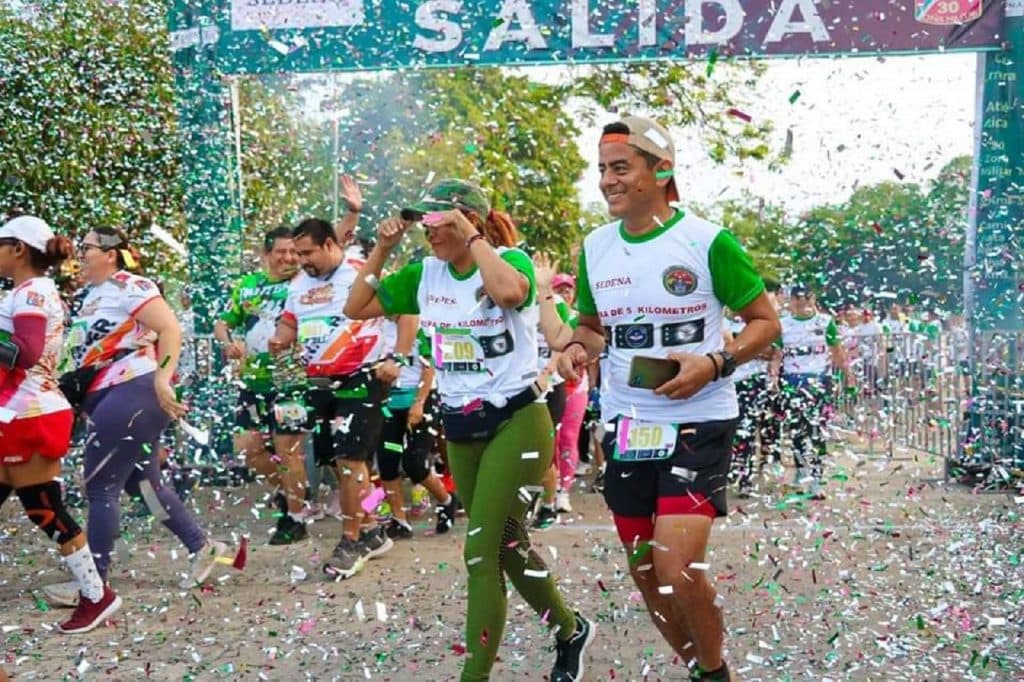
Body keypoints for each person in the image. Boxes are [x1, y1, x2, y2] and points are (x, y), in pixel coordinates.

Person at [556, 117, 781, 680]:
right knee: (643, 571)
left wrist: (715, 362)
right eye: (602, 169)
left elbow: (764, 322)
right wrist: (575, 349)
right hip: (630, 424)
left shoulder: (707, 242)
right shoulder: (595, 247)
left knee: (674, 565)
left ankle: (713, 670)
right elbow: (590, 327)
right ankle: (701, 671)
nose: (607, 181)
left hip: (699, 420)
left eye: (621, 168)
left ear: (661, 171)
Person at [344, 178, 594, 682]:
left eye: (438, 221)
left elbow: (508, 292)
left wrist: (475, 239)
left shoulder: (509, 261)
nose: (429, 232)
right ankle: (570, 630)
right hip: (460, 428)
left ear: (467, 221)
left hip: (517, 421)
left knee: (479, 550)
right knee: (506, 543)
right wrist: (384, 249)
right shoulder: (423, 275)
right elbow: (356, 307)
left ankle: (473, 676)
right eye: (424, 222)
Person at [42, 227, 226, 608]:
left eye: (88, 248)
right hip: (109, 395)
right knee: (143, 485)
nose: (81, 254)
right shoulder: (90, 297)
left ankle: (93, 586)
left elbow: (169, 328)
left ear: (111, 254)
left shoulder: (131, 285)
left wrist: (164, 377)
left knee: (100, 488)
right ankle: (201, 546)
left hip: (134, 389)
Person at [0, 216, 118, 634]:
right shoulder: (28, 291)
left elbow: (26, 353)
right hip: (17, 412)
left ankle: (95, 595)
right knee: (42, 507)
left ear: (18, 250)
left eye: (1, 243)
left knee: (45, 509)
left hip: (28, 414)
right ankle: (96, 594)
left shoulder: (31, 293)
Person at [268, 216, 393, 580]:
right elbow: (290, 323)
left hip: (361, 377)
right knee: (345, 466)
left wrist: (397, 358)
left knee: (352, 461)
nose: (300, 260)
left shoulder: (360, 271)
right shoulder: (298, 284)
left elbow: (403, 312)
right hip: (319, 384)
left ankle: (351, 540)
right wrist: (281, 338)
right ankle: (372, 526)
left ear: (329, 244)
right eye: (296, 253)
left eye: (307, 252)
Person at [214, 226, 312, 544]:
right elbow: (223, 322)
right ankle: (291, 492)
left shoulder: (304, 284)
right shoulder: (247, 286)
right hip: (253, 384)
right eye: (281, 251)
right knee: (248, 448)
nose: (289, 258)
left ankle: (295, 519)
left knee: (288, 452)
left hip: (292, 382)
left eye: (294, 252)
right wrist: (228, 343)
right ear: (266, 254)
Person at [375, 315, 458, 539]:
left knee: (415, 461)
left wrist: (419, 402)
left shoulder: (422, 325)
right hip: (388, 406)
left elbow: (429, 366)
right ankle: (400, 520)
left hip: (421, 400)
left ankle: (446, 500)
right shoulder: (378, 325)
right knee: (387, 461)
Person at [770, 284, 853, 498]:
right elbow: (777, 354)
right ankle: (801, 469)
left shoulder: (825, 322)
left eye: (806, 298)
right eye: (797, 299)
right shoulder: (783, 324)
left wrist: (849, 377)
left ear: (812, 298)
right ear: (791, 301)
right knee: (797, 428)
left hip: (819, 381)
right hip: (793, 381)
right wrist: (773, 377)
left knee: (817, 429)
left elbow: (837, 351)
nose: (802, 302)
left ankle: (817, 479)